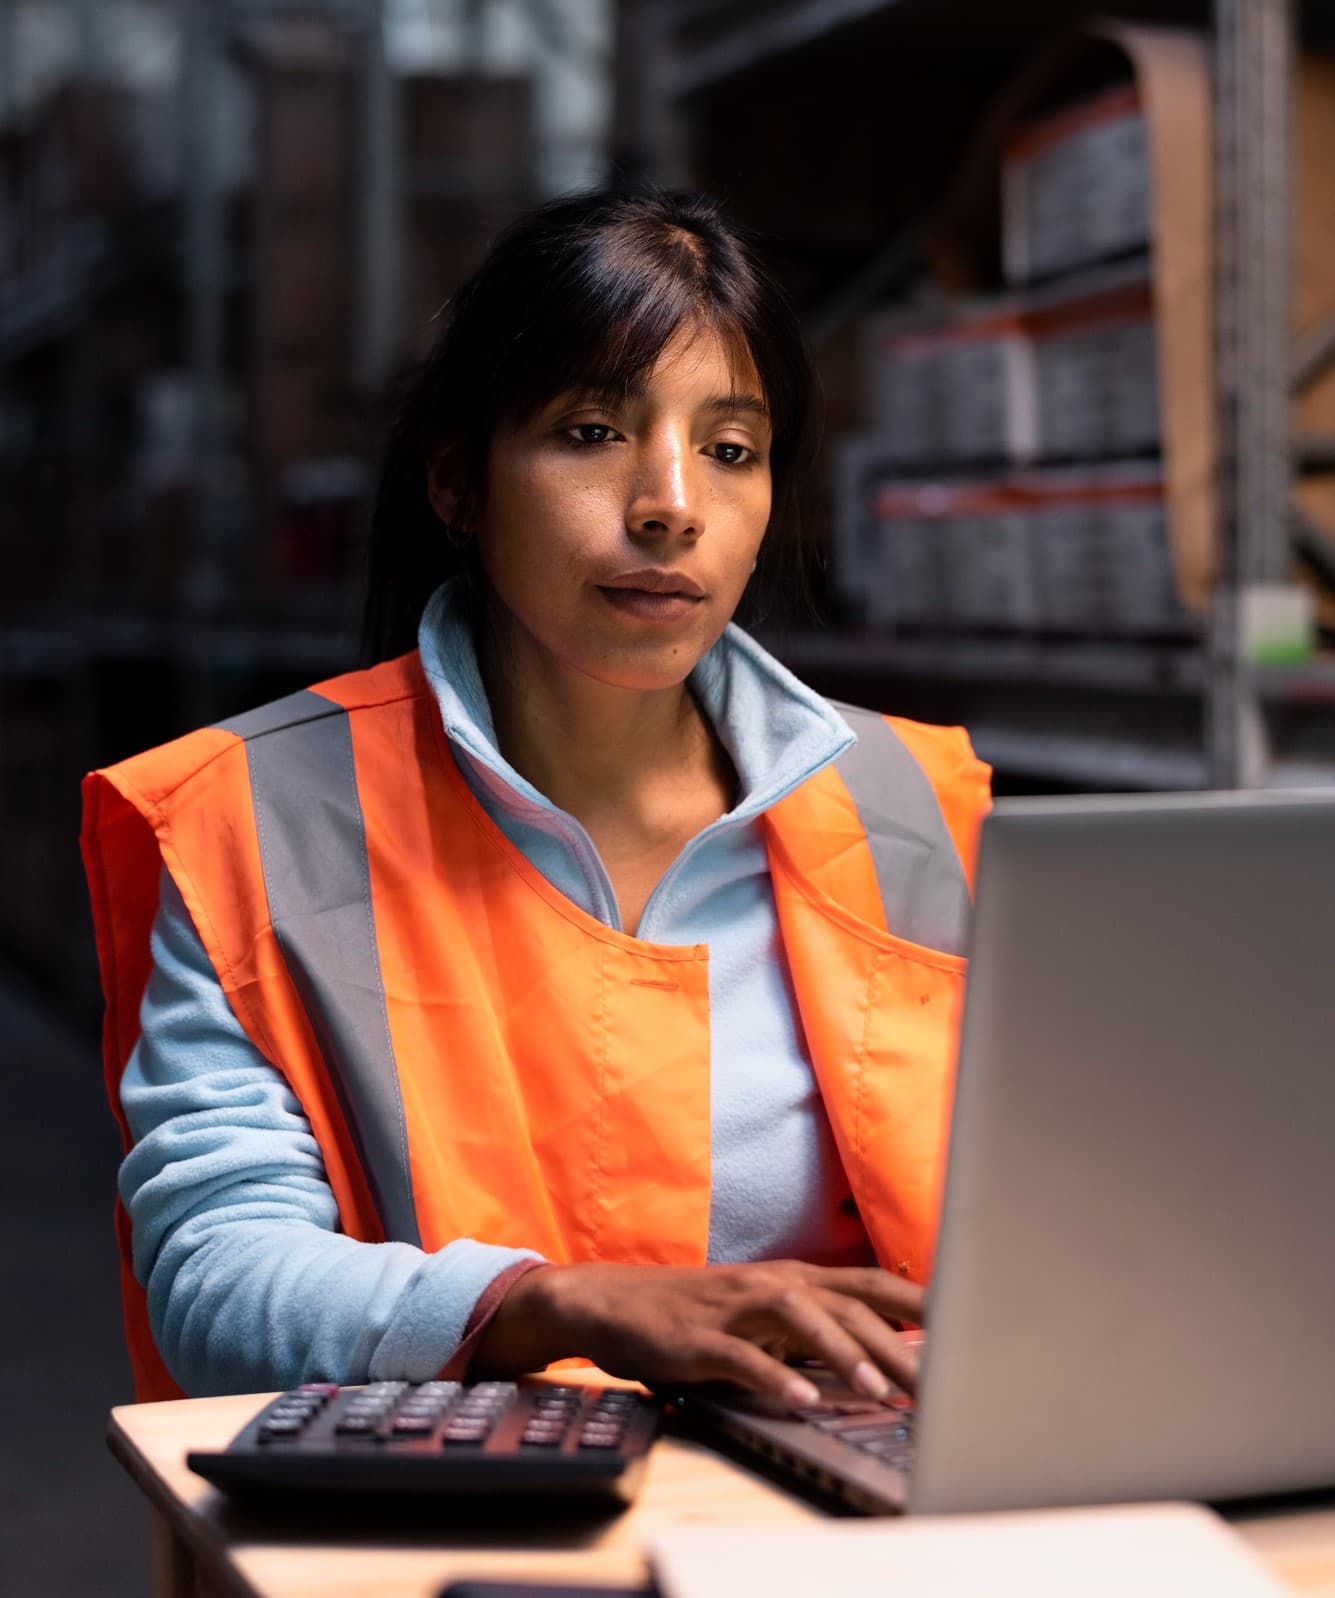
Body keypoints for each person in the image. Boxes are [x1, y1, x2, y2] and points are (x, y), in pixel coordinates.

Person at [82, 186, 990, 1410]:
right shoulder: (252, 820)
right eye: (591, 431)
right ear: (460, 484)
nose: (672, 501)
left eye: (731, 449)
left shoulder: (919, 807)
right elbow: (217, 1283)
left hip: (847, 1513)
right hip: (450, 1533)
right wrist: (548, 1301)